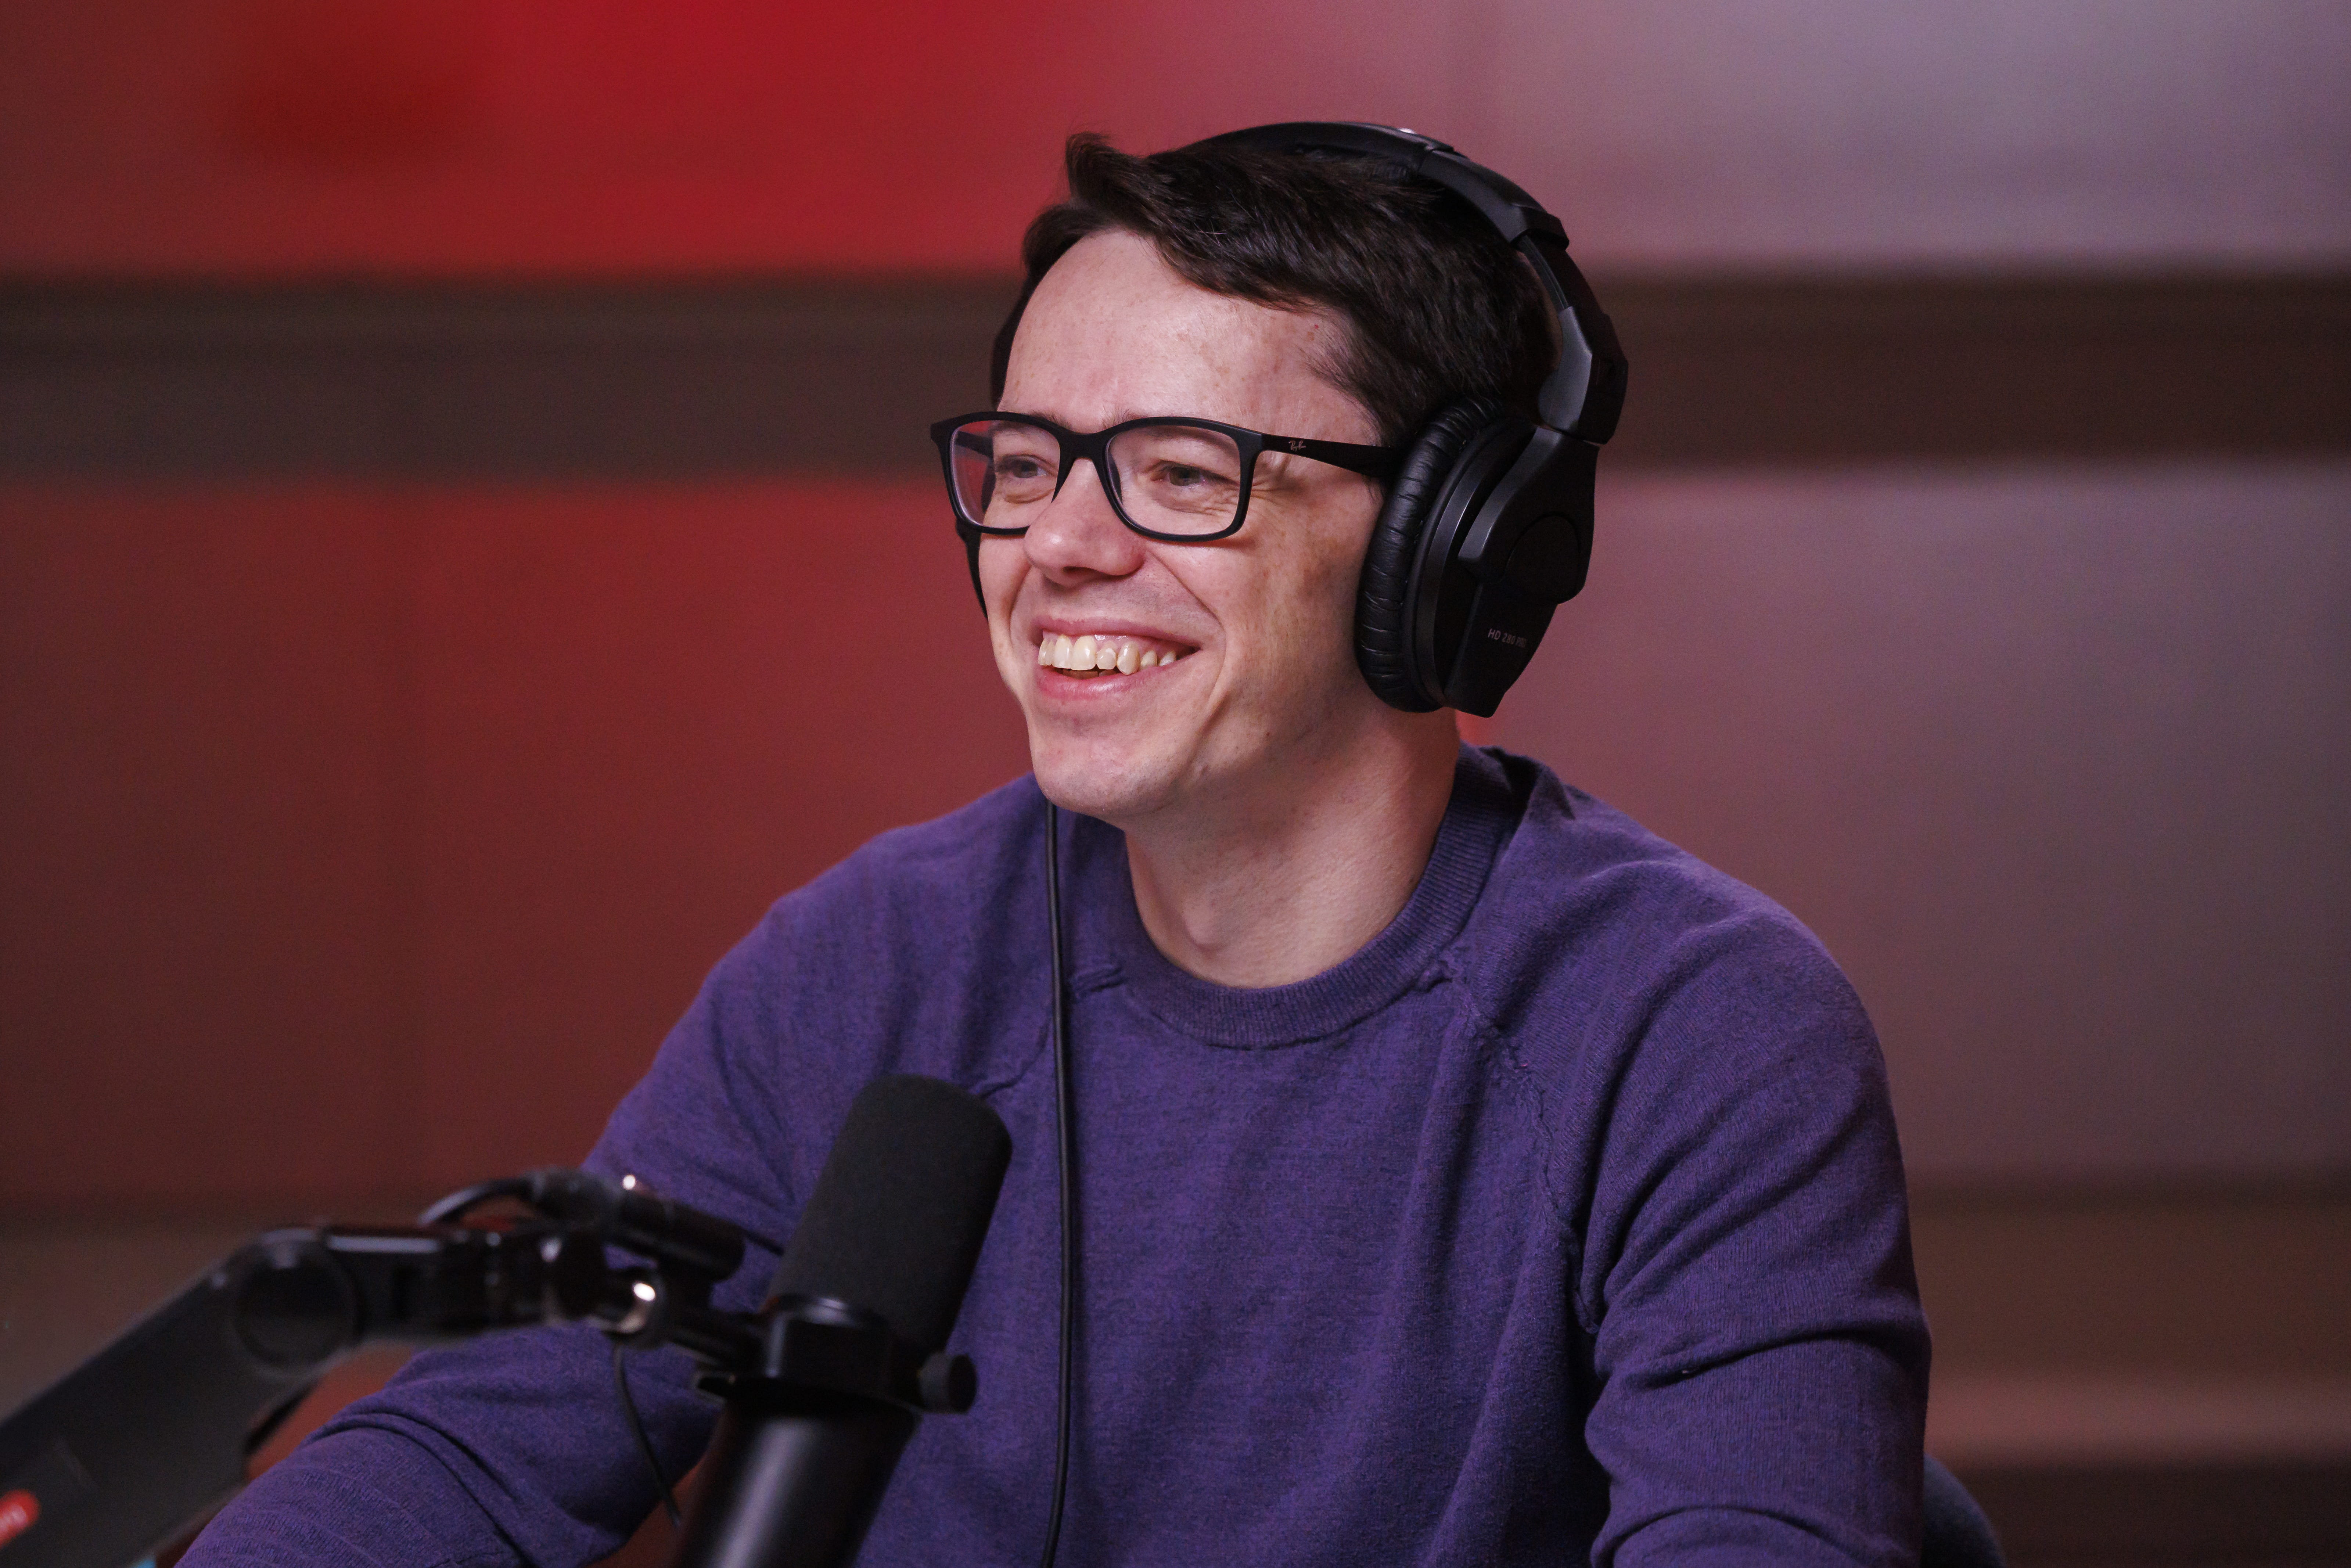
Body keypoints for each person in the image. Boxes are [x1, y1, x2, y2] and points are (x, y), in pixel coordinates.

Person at [183, 127, 1927, 1568]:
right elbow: (485, 1455)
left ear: (1441, 546)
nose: (1057, 545)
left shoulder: (1697, 1028)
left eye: (1179, 472)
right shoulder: (870, 962)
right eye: (1025, 461)